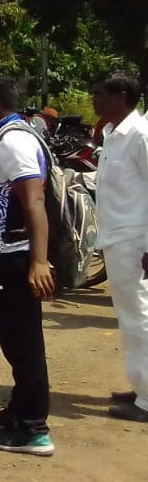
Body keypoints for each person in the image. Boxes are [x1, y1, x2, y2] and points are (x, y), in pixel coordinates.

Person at [0, 73, 57, 455]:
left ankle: (33, 430)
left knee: (24, 343)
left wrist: (39, 261)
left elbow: (33, 201)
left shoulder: (14, 141)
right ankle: (19, 411)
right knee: (14, 340)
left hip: (12, 257)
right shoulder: (4, 135)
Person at [89, 72, 148, 423]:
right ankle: (141, 385)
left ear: (121, 96)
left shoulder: (140, 135)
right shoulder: (113, 134)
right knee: (131, 318)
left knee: (139, 317)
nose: (94, 100)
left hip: (135, 240)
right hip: (117, 237)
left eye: (99, 94)